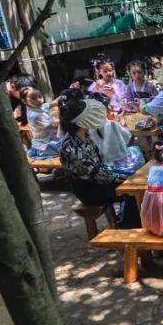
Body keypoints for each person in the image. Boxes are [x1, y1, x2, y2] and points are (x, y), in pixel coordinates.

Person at [58, 93, 139, 226]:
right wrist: (123, 178)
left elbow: (100, 167)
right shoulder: (70, 147)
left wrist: (122, 176)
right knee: (131, 191)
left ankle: (129, 224)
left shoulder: (85, 135)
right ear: (82, 121)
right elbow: (95, 174)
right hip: (89, 190)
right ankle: (127, 227)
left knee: (133, 184)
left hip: (99, 181)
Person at [23, 87, 62, 159]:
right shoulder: (36, 116)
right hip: (46, 146)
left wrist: (65, 93)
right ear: (25, 101)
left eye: (40, 96)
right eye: (33, 98)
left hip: (48, 140)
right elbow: (55, 124)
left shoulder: (37, 107)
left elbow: (53, 103)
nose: (38, 100)